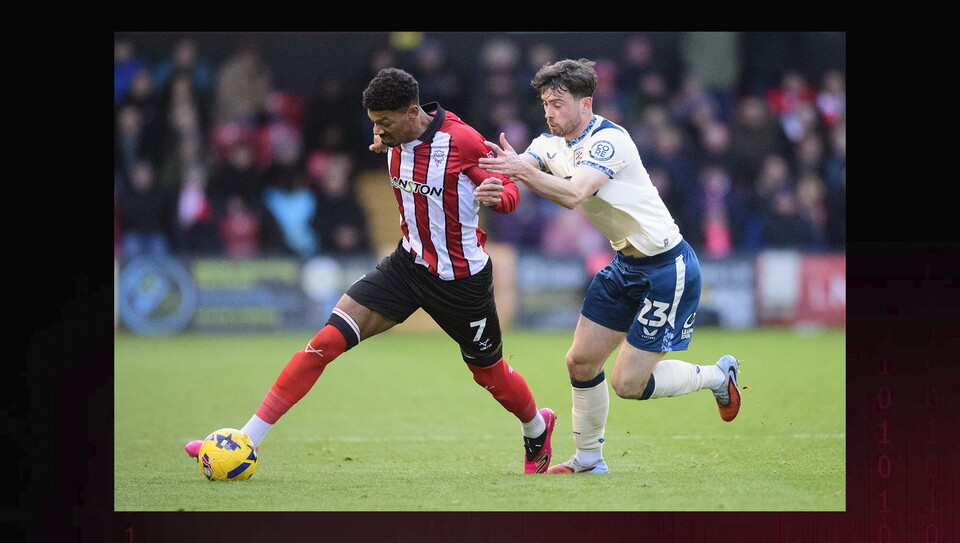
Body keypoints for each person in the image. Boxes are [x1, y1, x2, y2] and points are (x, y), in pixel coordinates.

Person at [185, 67, 556, 474]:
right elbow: (395, 143)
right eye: (374, 123)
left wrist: (499, 196)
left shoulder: (462, 141)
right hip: (406, 266)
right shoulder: (396, 135)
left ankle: (537, 428)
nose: (377, 131)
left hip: (461, 281)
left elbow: (512, 186)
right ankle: (245, 440)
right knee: (324, 343)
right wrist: (387, 137)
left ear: (412, 112)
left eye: (383, 123)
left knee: (490, 376)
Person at [478, 58, 741, 474]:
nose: (549, 113)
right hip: (624, 265)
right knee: (580, 362)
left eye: (558, 104)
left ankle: (717, 377)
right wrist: (496, 183)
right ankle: (588, 460)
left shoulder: (609, 141)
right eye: (545, 104)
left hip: (666, 268)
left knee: (627, 384)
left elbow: (573, 194)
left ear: (586, 104)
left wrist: (519, 173)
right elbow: (519, 170)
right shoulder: (548, 144)